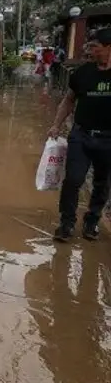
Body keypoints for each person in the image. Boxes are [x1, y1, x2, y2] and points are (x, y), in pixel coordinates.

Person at [49, 28, 111, 241]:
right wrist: (56, 125)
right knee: (73, 180)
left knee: (102, 183)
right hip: (81, 135)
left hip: (108, 140)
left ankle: (92, 221)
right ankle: (66, 223)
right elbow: (68, 100)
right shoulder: (83, 73)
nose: (89, 50)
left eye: (95, 46)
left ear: (108, 47)